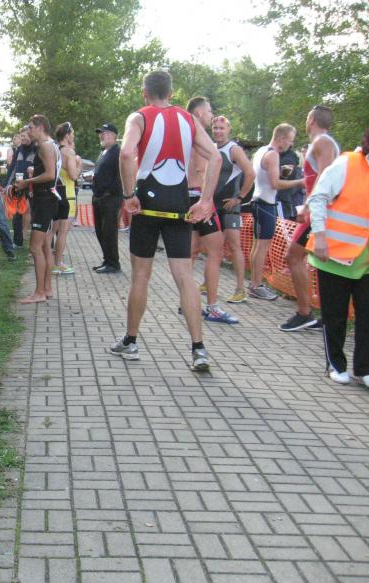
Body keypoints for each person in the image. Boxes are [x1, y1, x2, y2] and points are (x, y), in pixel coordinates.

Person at [111, 70, 221, 371]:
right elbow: (216, 157)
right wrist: (206, 200)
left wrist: (128, 195)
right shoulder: (188, 119)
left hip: (147, 205)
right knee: (184, 276)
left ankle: (131, 341)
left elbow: (126, 154)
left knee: (140, 276)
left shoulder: (139, 117)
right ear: (171, 94)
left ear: (144, 93)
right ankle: (198, 349)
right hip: (179, 204)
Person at [305, 129, 369, 388]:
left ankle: (365, 368)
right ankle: (335, 364)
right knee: (335, 316)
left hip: (366, 260)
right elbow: (318, 197)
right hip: (335, 256)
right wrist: (320, 236)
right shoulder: (346, 163)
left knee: (368, 315)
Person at [280, 106, 339, 331]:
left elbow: (325, 177)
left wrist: (307, 206)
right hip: (318, 210)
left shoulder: (322, 142)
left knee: (293, 256)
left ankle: (305, 313)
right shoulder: (322, 143)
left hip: (319, 212)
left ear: (311, 119)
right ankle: (326, 316)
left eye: (307, 118)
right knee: (318, 262)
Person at [185, 97, 239, 325]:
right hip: (198, 198)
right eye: (209, 112)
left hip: (186, 197)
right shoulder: (198, 135)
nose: (211, 116)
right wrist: (207, 200)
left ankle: (186, 302)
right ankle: (212, 307)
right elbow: (207, 165)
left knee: (191, 252)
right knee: (216, 251)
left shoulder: (182, 132)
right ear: (198, 113)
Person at [248, 124, 304, 300]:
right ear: (281, 138)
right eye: (290, 140)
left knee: (257, 245)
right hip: (265, 203)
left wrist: (280, 172)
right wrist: (300, 182)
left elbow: (266, 177)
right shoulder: (273, 155)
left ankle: (254, 283)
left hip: (259, 200)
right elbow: (275, 184)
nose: (291, 144)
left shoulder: (262, 151)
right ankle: (256, 285)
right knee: (262, 246)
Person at [14, 114, 61, 303]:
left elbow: (50, 174)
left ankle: (39, 292)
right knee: (44, 247)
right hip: (47, 199)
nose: (29, 130)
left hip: (45, 200)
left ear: (40, 127)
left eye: (31, 127)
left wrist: (27, 182)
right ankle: (47, 288)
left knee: (35, 248)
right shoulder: (51, 145)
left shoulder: (46, 146)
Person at [210, 115, 256, 304]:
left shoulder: (233, 149)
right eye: (215, 128)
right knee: (213, 247)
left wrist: (239, 197)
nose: (218, 131)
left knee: (234, 245)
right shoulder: (212, 148)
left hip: (230, 206)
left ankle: (240, 289)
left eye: (222, 128)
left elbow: (250, 173)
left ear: (228, 130)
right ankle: (207, 282)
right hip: (214, 205)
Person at [90, 123, 123, 273]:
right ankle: (107, 259)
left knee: (109, 231)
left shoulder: (117, 152)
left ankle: (113, 263)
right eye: (101, 133)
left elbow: (120, 175)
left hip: (110, 198)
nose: (101, 135)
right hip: (98, 197)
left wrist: (112, 192)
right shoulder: (103, 152)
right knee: (100, 231)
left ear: (114, 135)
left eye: (105, 133)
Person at [52, 122, 81, 275]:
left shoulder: (54, 150)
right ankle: (58, 264)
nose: (74, 136)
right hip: (68, 195)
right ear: (67, 135)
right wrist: (79, 164)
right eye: (73, 134)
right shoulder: (69, 152)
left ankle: (47, 260)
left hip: (55, 193)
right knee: (62, 232)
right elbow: (74, 175)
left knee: (52, 231)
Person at [7, 126, 37, 248]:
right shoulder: (19, 150)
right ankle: (17, 242)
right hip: (18, 185)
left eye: (24, 136)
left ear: (30, 135)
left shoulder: (37, 149)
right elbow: (12, 168)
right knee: (16, 214)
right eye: (21, 136)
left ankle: (37, 243)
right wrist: (7, 183)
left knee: (35, 214)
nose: (22, 138)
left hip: (33, 186)